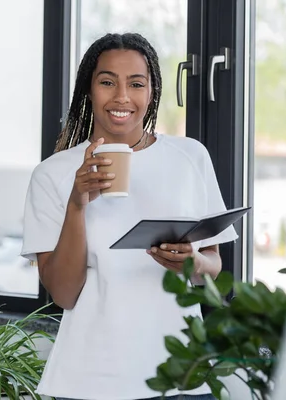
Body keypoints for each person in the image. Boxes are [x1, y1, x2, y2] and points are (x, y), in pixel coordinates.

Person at [21, 33, 236, 400]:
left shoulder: (190, 157)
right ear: (89, 90)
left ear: (152, 92)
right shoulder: (52, 174)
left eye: (136, 83)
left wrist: (193, 262)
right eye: (107, 82)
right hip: (92, 378)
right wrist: (77, 203)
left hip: (181, 373)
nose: (122, 97)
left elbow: (215, 271)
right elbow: (63, 294)